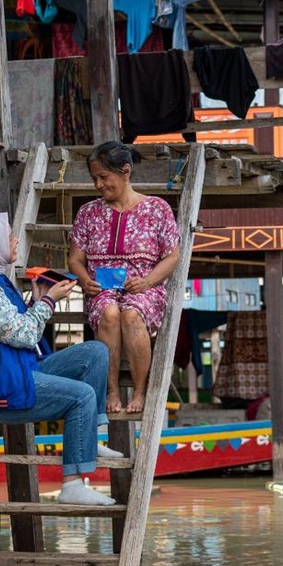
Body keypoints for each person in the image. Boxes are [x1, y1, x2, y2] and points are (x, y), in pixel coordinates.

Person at [0, 211, 121, 506]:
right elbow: (24, 334)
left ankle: (88, 439)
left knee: (96, 352)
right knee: (82, 395)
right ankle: (72, 484)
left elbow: (10, 325)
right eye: (8, 236)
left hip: (20, 371)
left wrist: (36, 301)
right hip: (1, 388)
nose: (14, 240)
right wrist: (49, 301)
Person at [68, 141, 180, 415]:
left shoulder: (157, 209)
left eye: (104, 177)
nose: (98, 185)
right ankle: (112, 389)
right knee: (109, 313)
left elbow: (172, 256)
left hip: (144, 287)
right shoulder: (88, 212)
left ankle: (140, 391)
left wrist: (148, 282)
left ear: (125, 172)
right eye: (94, 178)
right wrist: (84, 280)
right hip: (101, 289)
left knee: (131, 314)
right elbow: (75, 259)